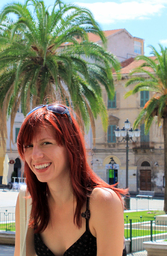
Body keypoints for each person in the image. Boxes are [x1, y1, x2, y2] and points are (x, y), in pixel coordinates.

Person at [14, 104, 127, 256]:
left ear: (70, 146)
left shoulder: (103, 202)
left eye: (46, 143)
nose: (35, 155)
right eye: (28, 145)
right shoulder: (28, 201)